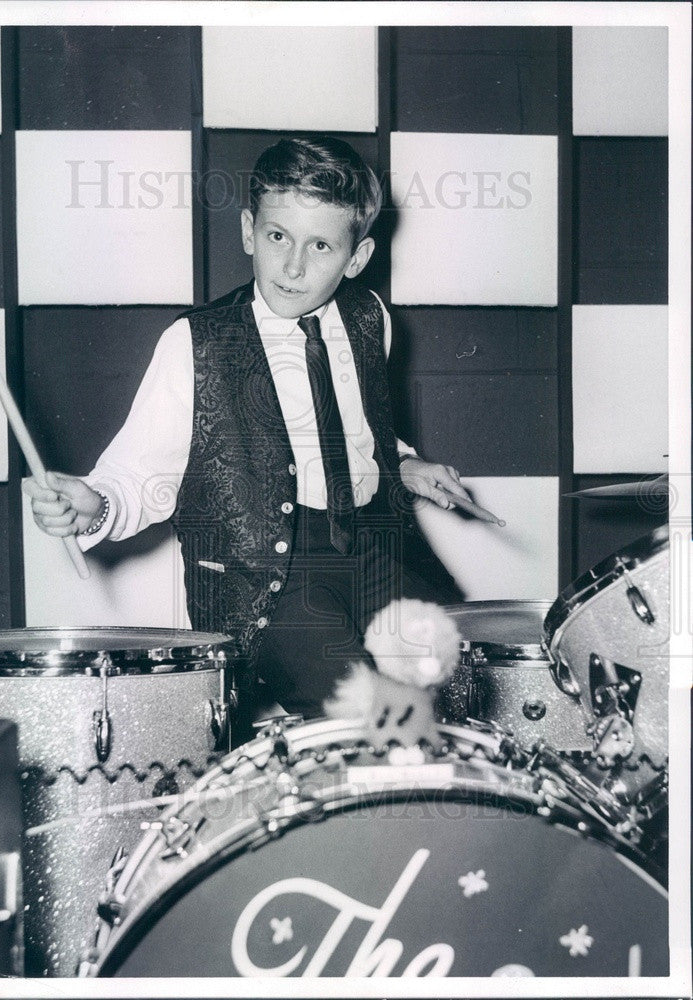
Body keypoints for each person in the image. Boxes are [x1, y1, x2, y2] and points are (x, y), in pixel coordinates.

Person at [25, 136, 468, 725]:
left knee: (465, 686)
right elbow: (139, 473)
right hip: (270, 576)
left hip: (375, 547)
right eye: (278, 236)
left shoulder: (370, 319)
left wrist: (405, 465)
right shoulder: (197, 343)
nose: (292, 266)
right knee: (374, 723)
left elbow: (360, 428)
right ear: (247, 231)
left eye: (320, 246)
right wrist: (95, 503)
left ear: (356, 258)